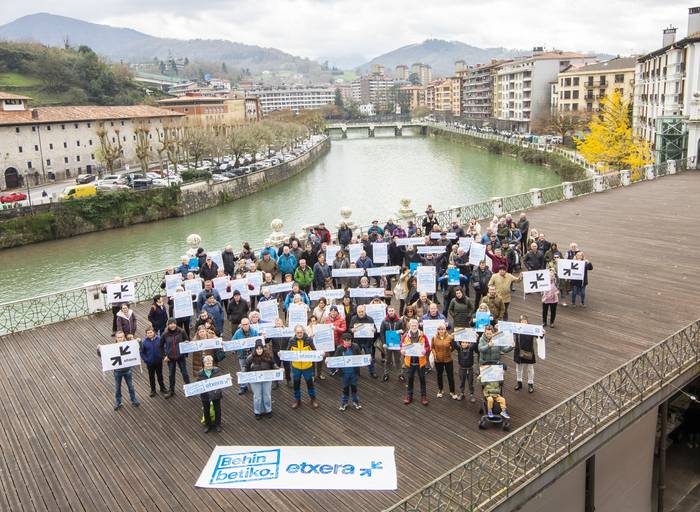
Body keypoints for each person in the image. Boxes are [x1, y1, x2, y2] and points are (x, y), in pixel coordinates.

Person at [98, 331, 140, 411]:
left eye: (121, 337)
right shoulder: (112, 348)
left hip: (127, 370)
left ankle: (133, 399)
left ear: (124, 337)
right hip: (117, 371)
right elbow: (102, 356)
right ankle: (118, 402)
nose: (120, 338)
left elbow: (138, 350)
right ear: (116, 338)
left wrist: (138, 342)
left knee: (131, 386)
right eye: (118, 337)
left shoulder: (128, 345)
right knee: (117, 388)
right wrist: (99, 349)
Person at [288, 325, 319, 409]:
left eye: (301, 332)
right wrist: (281, 354)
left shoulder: (309, 340)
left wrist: (320, 354)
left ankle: (313, 398)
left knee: (310, 383)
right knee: (296, 384)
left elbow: (314, 351)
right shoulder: (291, 341)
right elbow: (287, 352)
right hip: (296, 367)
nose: (299, 334)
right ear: (295, 333)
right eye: (298, 332)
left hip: (307, 366)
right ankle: (297, 399)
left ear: (303, 332)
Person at [401, 319, 431, 405]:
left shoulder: (423, 335)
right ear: (409, 326)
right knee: (410, 379)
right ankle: (409, 396)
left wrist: (425, 351)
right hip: (409, 362)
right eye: (412, 325)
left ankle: (423, 396)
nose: (414, 327)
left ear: (418, 326)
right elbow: (401, 346)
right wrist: (402, 351)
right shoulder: (405, 336)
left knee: (422, 379)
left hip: (420, 362)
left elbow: (427, 346)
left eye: (415, 325)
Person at [245, 339, 276, 419]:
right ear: (255, 349)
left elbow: (274, 365)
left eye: (260, 348)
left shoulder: (268, 356)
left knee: (267, 395)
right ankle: (257, 412)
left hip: (267, 378)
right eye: (257, 349)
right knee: (257, 396)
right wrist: (242, 375)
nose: (259, 350)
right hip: (255, 380)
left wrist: (278, 369)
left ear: (263, 348)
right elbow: (246, 369)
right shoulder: (250, 358)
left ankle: (268, 410)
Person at [161, 318, 190, 398]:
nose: (172, 325)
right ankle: (171, 391)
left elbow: (187, 340)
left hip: (180, 356)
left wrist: (186, 345)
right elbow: (160, 346)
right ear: (168, 325)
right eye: (170, 324)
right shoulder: (165, 334)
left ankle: (190, 389)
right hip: (170, 358)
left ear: (176, 324)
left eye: (174, 323)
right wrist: (164, 356)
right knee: (171, 375)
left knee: (185, 373)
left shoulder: (181, 331)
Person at [334, 333, 362, 411]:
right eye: (346, 340)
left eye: (349, 340)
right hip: (344, 373)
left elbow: (360, 357)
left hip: (353, 372)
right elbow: (335, 358)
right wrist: (328, 361)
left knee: (354, 388)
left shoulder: (355, 346)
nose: (348, 342)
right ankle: (344, 402)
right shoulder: (339, 348)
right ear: (343, 341)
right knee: (345, 388)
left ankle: (355, 401)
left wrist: (367, 359)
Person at [348, 305, 378, 378]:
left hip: (367, 342)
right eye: (359, 312)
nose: (361, 313)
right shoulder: (353, 319)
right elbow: (350, 328)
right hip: (357, 342)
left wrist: (374, 330)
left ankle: (372, 372)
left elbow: (375, 329)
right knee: (356, 358)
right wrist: (352, 330)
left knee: (369, 358)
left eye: (362, 311)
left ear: (365, 311)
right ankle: (356, 372)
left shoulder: (370, 319)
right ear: (357, 312)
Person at [232, 318, 259, 395]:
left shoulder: (254, 331)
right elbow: (233, 341)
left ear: (249, 324)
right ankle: (243, 387)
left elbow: (258, 342)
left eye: (246, 324)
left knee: (254, 369)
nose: (245, 326)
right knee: (243, 371)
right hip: (242, 355)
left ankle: (255, 386)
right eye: (243, 324)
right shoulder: (238, 332)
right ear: (241, 325)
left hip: (252, 355)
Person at [196, 355, 223, 432]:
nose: (209, 365)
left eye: (210, 363)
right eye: (207, 363)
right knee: (206, 410)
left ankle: (218, 424)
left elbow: (221, 380)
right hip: (205, 395)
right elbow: (197, 384)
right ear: (204, 364)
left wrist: (227, 380)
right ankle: (208, 425)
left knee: (217, 409)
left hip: (216, 393)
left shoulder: (217, 370)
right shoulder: (200, 373)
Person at [514, 315, 539, 393]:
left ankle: (530, 384)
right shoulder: (516, 329)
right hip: (518, 351)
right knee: (519, 369)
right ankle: (519, 382)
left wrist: (542, 333)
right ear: (519, 322)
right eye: (522, 321)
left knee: (530, 369)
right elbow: (507, 331)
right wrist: (499, 327)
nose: (523, 323)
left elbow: (538, 335)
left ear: (527, 322)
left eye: (525, 321)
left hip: (529, 351)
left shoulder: (531, 329)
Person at [431, 323, 457, 399]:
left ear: (445, 329)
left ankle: (452, 391)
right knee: (439, 375)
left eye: (442, 329)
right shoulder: (434, 337)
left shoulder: (450, 337)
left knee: (450, 376)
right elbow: (432, 347)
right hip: (438, 360)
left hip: (448, 359)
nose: (441, 331)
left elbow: (454, 347)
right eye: (439, 329)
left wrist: (450, 351)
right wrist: (434, 353)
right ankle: (440, 390)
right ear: (437, 330)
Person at [140, 327, 166, 397]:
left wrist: (162, 356)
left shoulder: (159, 339)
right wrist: (146, 360)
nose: (150, 334)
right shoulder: (144, 342)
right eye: (148, 333)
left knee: (160, 375)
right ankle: (153, 390)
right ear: (146, 334)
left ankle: (162, 388)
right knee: (151, 377)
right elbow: (142, 352)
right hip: (150, 363)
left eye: (151, 332)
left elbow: (163, 347)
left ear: (154, 332)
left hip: (158, 361)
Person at [380, 306, 404, 382]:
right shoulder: (384, 321)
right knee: (387, 360)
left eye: (392, 310)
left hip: (396, 344)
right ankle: (386, 374)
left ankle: (400, 374)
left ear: (394, 311)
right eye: (389, 311)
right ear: (387, 312)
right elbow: (382, 333)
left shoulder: (399, 321)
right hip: (388, 344)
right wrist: (383, 343)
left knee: (398, 360)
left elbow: (403, 330)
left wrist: (401, 331)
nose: (391, 312)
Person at [453, 335, 477, 402]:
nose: (464, 344)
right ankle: (462, 393)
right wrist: (454, 337)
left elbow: (475, 344)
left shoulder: (471, 348)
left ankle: (472, 395)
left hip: (470, 369)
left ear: (469, 343)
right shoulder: (459, 348)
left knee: (470, 383)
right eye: (463, 342)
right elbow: (455, 344)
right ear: (461, 343)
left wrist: (476, 337)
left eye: (466, 342)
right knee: (462, 382)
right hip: (462, 369)